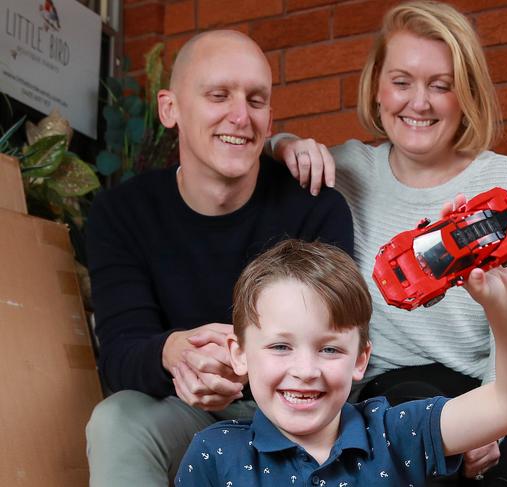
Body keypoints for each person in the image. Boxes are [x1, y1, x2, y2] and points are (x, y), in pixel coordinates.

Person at [268, 2, 507, 485]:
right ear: (376, 88)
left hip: (491, 382)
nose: (419, 102)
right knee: (417, 419)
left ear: (466, 95)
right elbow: (259, 153)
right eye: (402, 82)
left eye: (441, 85)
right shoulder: (347, 171)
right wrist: (286, 143)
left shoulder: (505, 182)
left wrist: (489, 421)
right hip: (387, 387)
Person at [84, 30, 353, 487]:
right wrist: (174, 354)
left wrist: (248, 362)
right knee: (116, 419)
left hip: (299, 406)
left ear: (270, 120)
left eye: (256, 100)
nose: (240, 116)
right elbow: (121, 349)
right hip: (184, 408)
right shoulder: (121, 213)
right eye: (218, 95)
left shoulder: (314, 204)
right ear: (171, 109)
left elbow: (332, 342)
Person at [175, 239, 507, 486]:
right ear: (239, 353)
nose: (306, 371)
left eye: (329, 349)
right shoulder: (215, 453)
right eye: (280, 347)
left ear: (360, 359)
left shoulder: (396, 432)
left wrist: (504, 306)